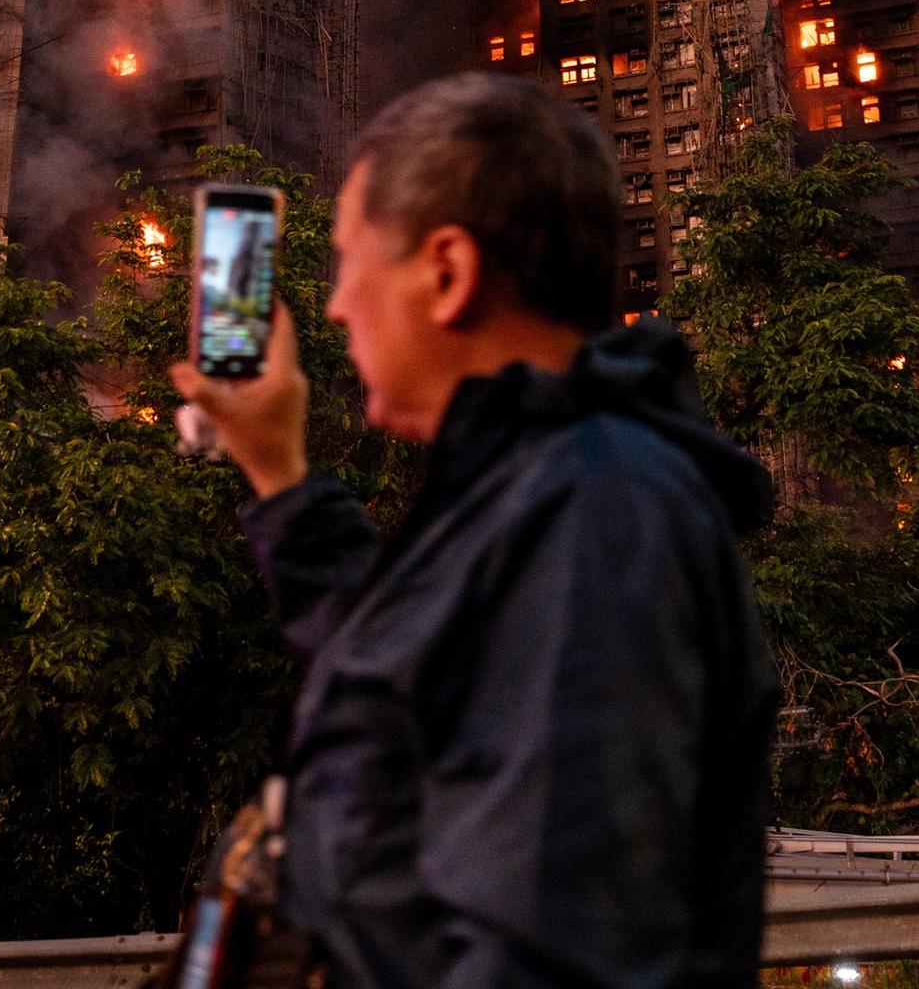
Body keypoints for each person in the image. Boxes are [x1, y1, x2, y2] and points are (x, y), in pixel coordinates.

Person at [172, 73, 778, 989]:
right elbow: (407, 674)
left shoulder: (597, 513)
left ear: (447, 273)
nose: (333, 307)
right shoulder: (536, 487)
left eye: (346, 261)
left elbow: (553, 955)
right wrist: (277, 471)